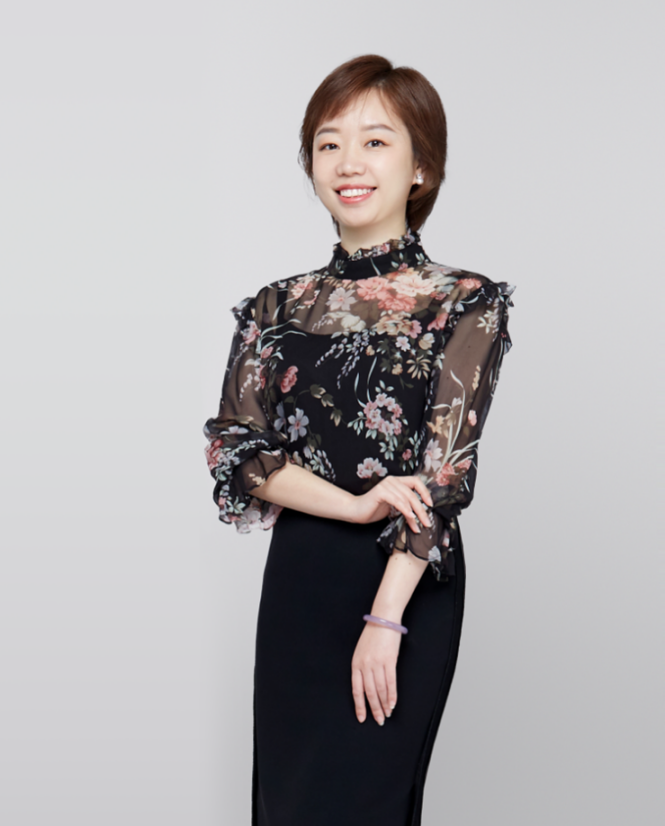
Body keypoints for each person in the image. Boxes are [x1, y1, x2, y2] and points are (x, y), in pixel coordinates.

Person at [203, 54, 515, 826]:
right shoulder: (276, 306)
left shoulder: (461, 301)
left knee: (364, 804)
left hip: (402, 579)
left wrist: (384, 622)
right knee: (287, 807)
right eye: (328, 143)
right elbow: (236, 449)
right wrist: (350, 504)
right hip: (301, 575)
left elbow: (444, 473)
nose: (348, 162)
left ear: (420, 166)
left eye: (376, 141)